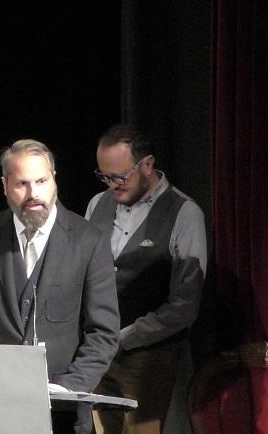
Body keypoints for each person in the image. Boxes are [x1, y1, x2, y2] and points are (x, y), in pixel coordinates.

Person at [0, 139, 120, 434]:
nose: (33, 194)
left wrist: (69, 386)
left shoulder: (89, 240)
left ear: (54, 179)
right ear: (5, 185)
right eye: (22, 184)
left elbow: (103, 332)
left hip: (61, 414)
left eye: (41, 181)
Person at [86, 124, 206, 434]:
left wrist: (126, 338)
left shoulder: (184, 213)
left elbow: (184, 305)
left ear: (147, 164)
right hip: (100, 354)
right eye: (104, 176)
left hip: (149, 357)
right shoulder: (98, 205)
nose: (112, 185)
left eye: (120, 177)